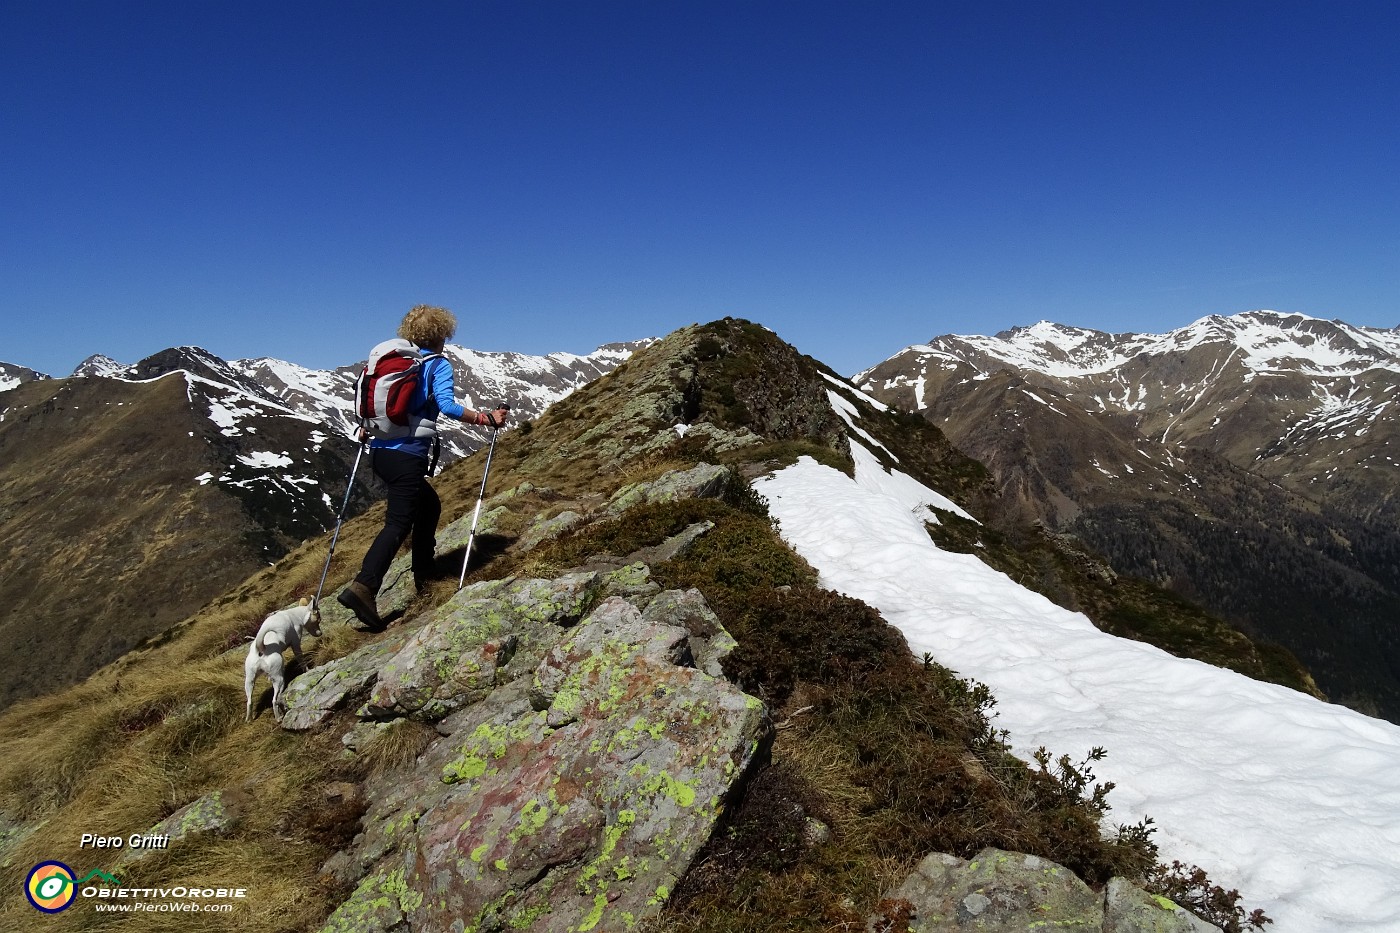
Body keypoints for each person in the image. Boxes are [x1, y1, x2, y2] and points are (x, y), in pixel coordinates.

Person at [337, 305, 509, 631]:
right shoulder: (436, 365)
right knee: (398, 523)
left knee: (428, 506)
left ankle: (424, 576)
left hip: (380, 453)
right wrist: (486, 419)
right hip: (407, 455)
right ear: (442, 334)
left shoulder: (401, 363)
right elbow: (446, 405)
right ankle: (365, 586)